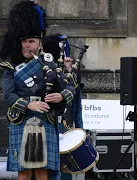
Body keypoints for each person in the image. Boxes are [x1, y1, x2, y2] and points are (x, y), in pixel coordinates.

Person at [0, 1, 75, 180]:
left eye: (31, 41)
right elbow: (8, 95)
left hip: (46, 120)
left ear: (40, 43)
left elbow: (70, 87)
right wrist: (30, 105)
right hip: (22, 119)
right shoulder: (11, 66)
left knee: (43, 172)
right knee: (24, 172)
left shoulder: (50, 62)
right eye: (24, 42)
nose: (27, 45)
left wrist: (61, 96)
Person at [42, 34, 84, 180]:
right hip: (46, 125)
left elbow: (76, 107)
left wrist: (80, 130)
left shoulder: (72, 77)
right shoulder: (42, 74)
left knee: (65, 166)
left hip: (64, 127)